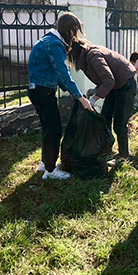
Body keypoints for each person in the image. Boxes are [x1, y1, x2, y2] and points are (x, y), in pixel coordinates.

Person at [28, 12, 93, 180]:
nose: (75, 36)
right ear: (68, 30)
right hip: (43, 92)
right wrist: (81, 98)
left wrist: (73, 94)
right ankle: (50, 171)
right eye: (74, 31)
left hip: (38, 90)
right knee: (54, 130)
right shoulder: (54, 45)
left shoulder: (49, 40)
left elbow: (58, 76)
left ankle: (45, 163)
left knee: (48, 128)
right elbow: (63, 75)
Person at [70, 40, 137, 164]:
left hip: (125, 85)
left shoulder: (93, 55)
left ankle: (123, 156)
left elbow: (109, 80)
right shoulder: (87, 56)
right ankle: (106, 149)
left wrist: (95, 98)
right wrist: (95, 90)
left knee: (120, 123)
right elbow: (106, 79)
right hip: (114, 87)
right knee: (105, 118)